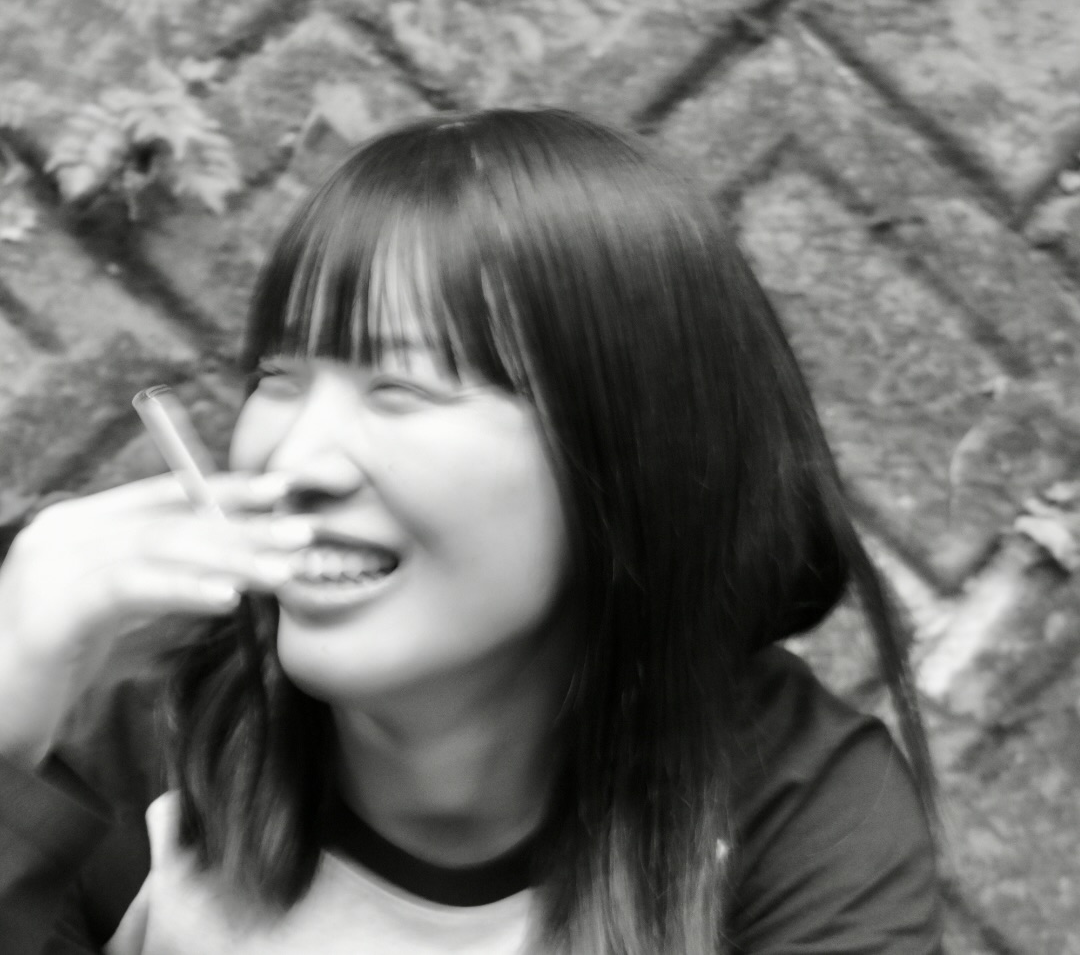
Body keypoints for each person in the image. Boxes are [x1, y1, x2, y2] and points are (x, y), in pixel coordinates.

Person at [0, 108, 943, 954]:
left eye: (400, 388)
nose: (298, 457)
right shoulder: (133, 728)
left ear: (631, 461)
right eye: (279, 377)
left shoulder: (791, 813)